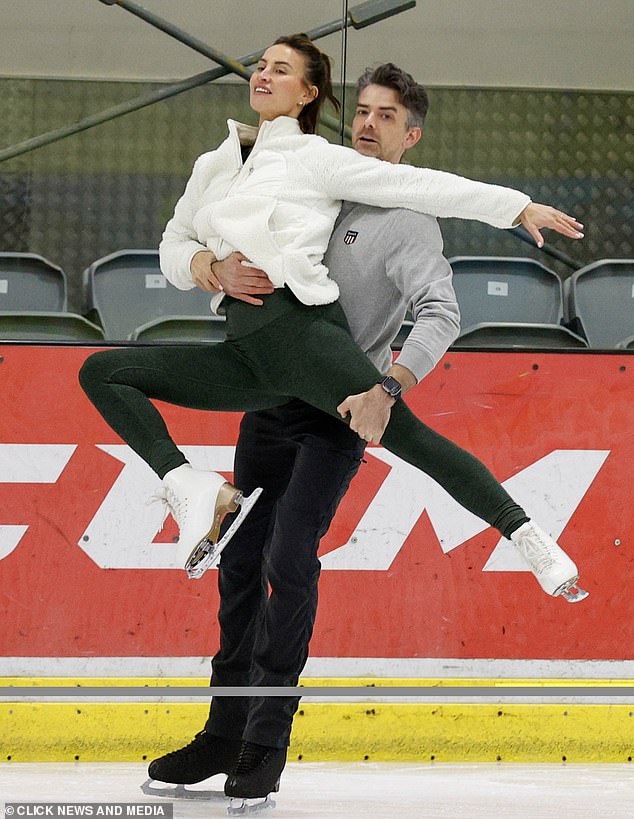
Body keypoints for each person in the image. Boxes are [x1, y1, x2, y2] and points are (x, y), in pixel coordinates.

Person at [137, 58, 583, 810]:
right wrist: (209, 263)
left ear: (410, 140)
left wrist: (389, 388)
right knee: (240, 562)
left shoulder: (407, 220)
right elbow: (202, 230)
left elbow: (441, 315)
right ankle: (222, 728)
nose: (368, 124)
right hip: (271, 400)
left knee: (287, 557)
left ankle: (264, 743)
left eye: (385, 117)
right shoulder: (313, 175)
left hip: (344, 412)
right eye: (363, 111)